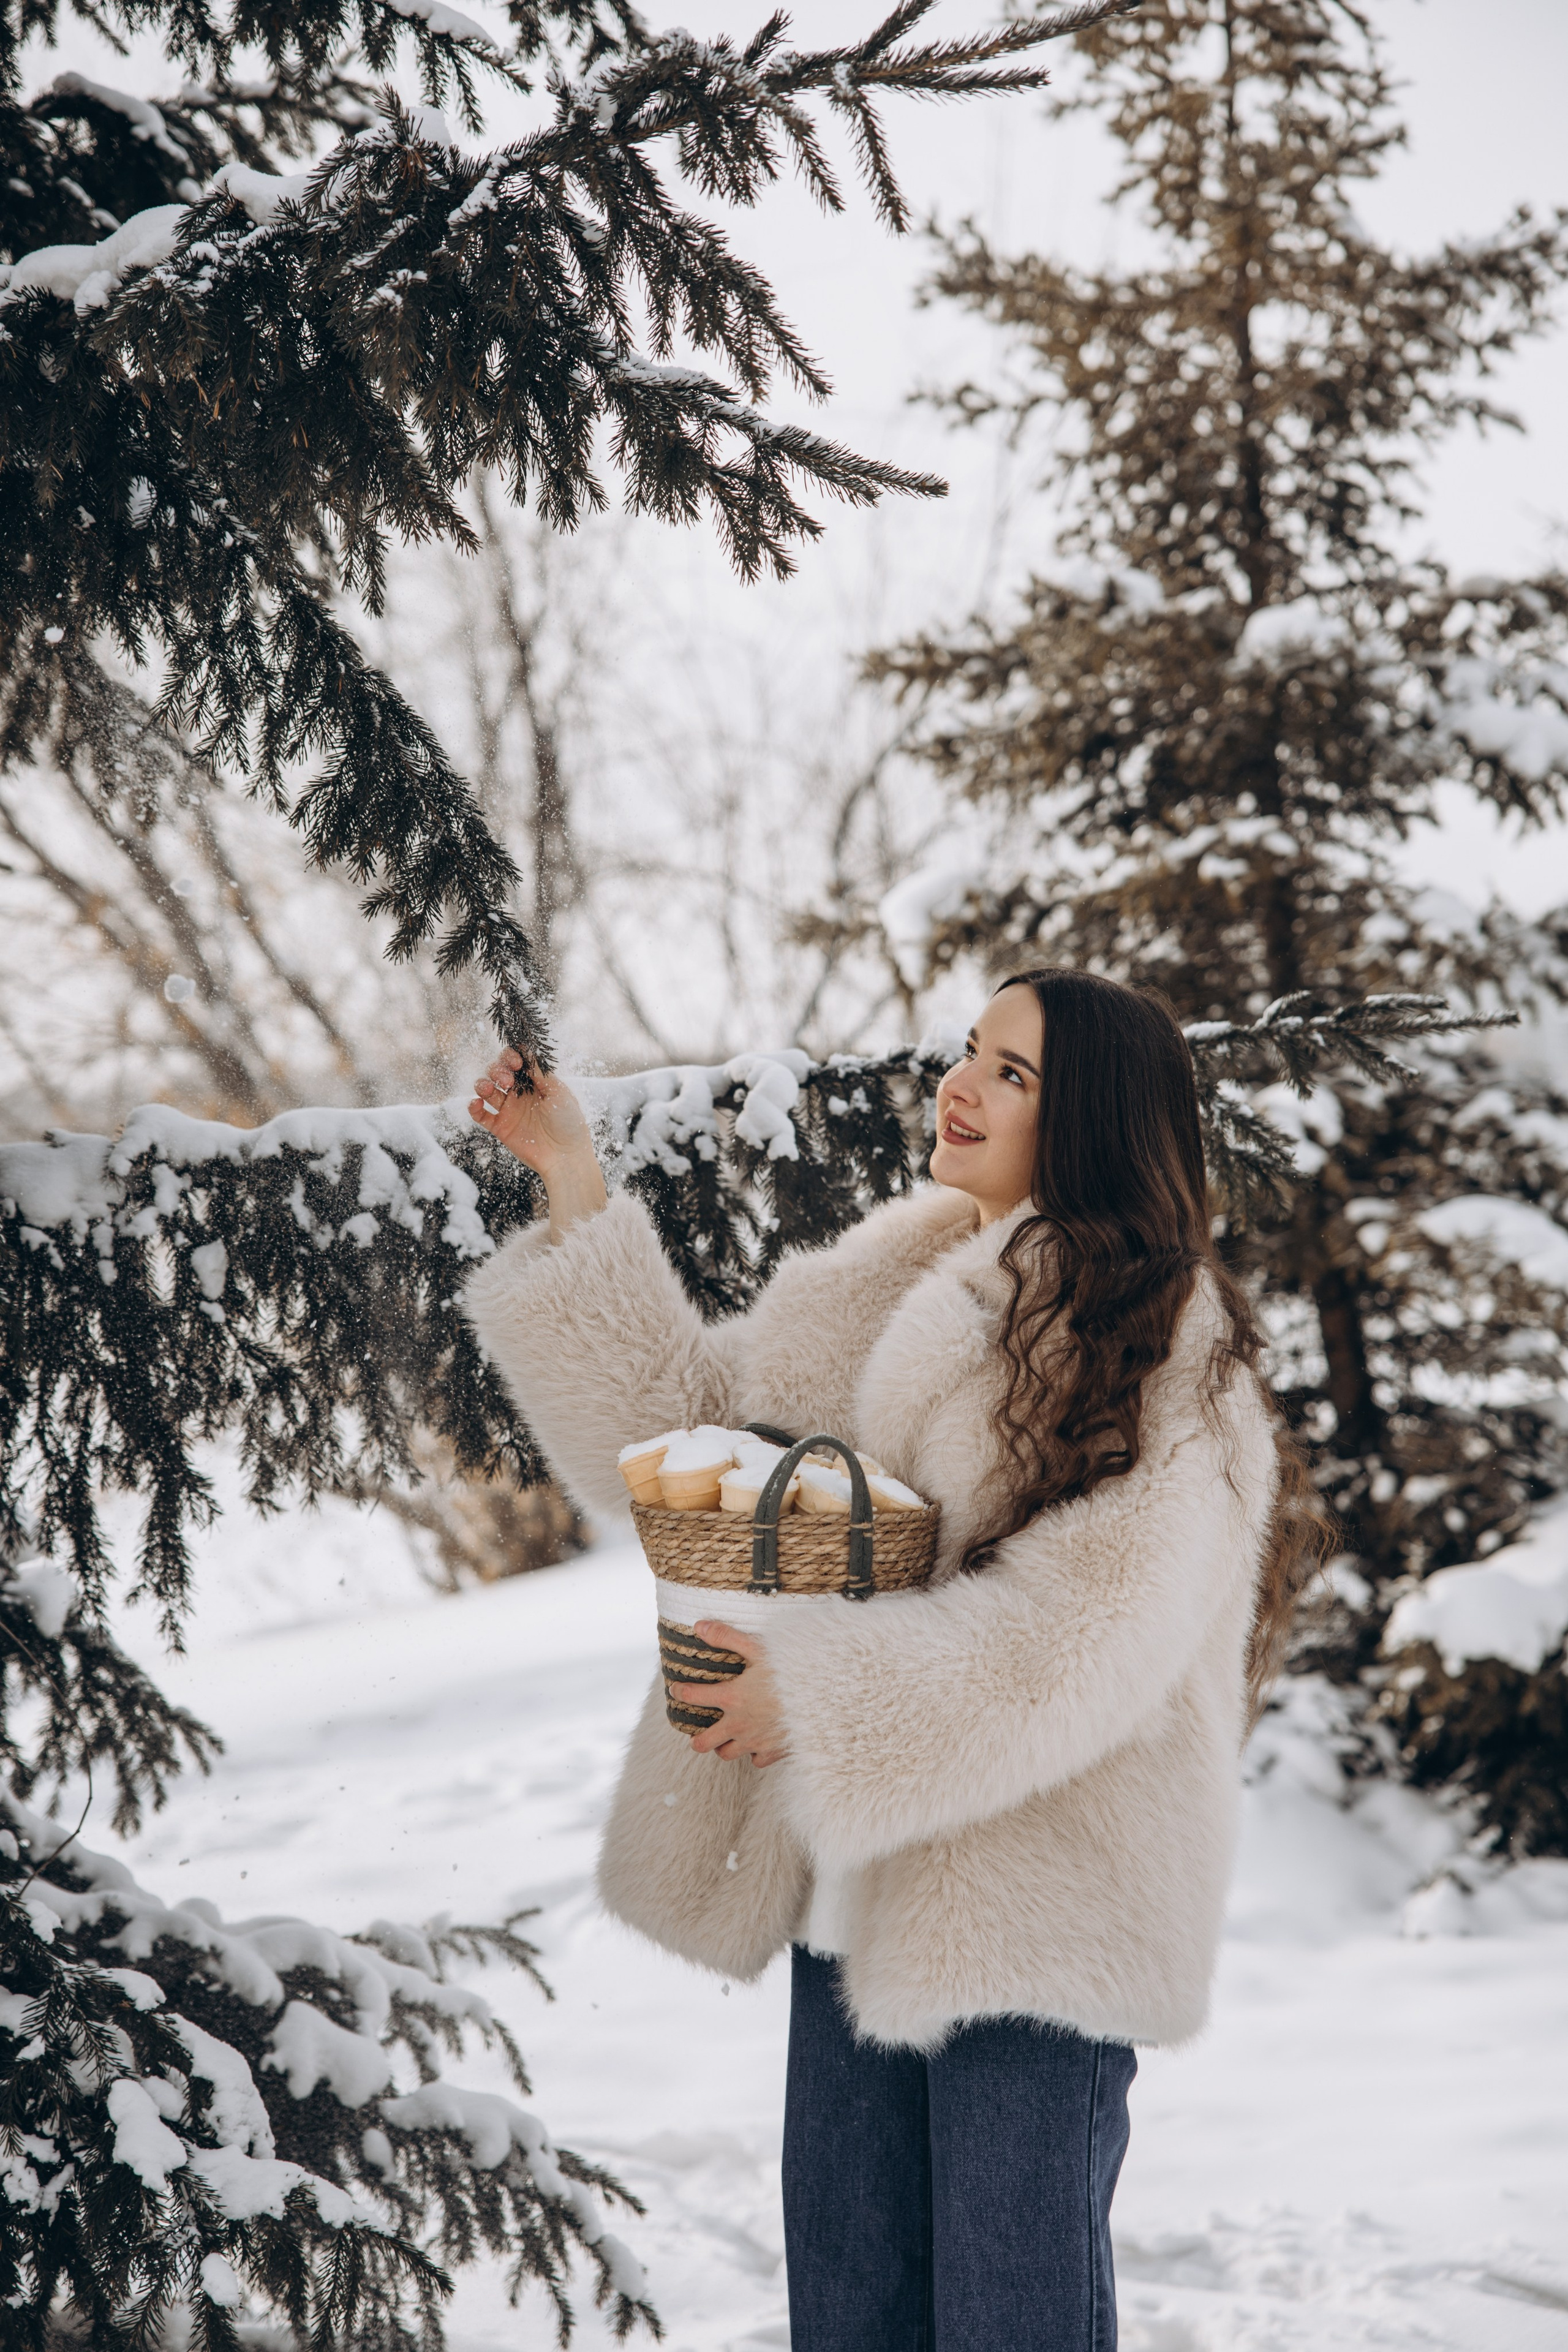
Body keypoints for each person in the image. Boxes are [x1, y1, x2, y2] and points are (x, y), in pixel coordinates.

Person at [462, 968, 1317, 2352]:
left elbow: (1078, 1638)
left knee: (1007, 2320)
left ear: (1092, 1117)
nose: (961, 1086)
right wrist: (571, 1178)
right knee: (852, 2316)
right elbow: (696, 1441)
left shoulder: (1168, 1342)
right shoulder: (894, 1275)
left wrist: (807, 1697)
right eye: (970, 1052)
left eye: (1014, 1073)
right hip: (851, 1899)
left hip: (1039, 1910)